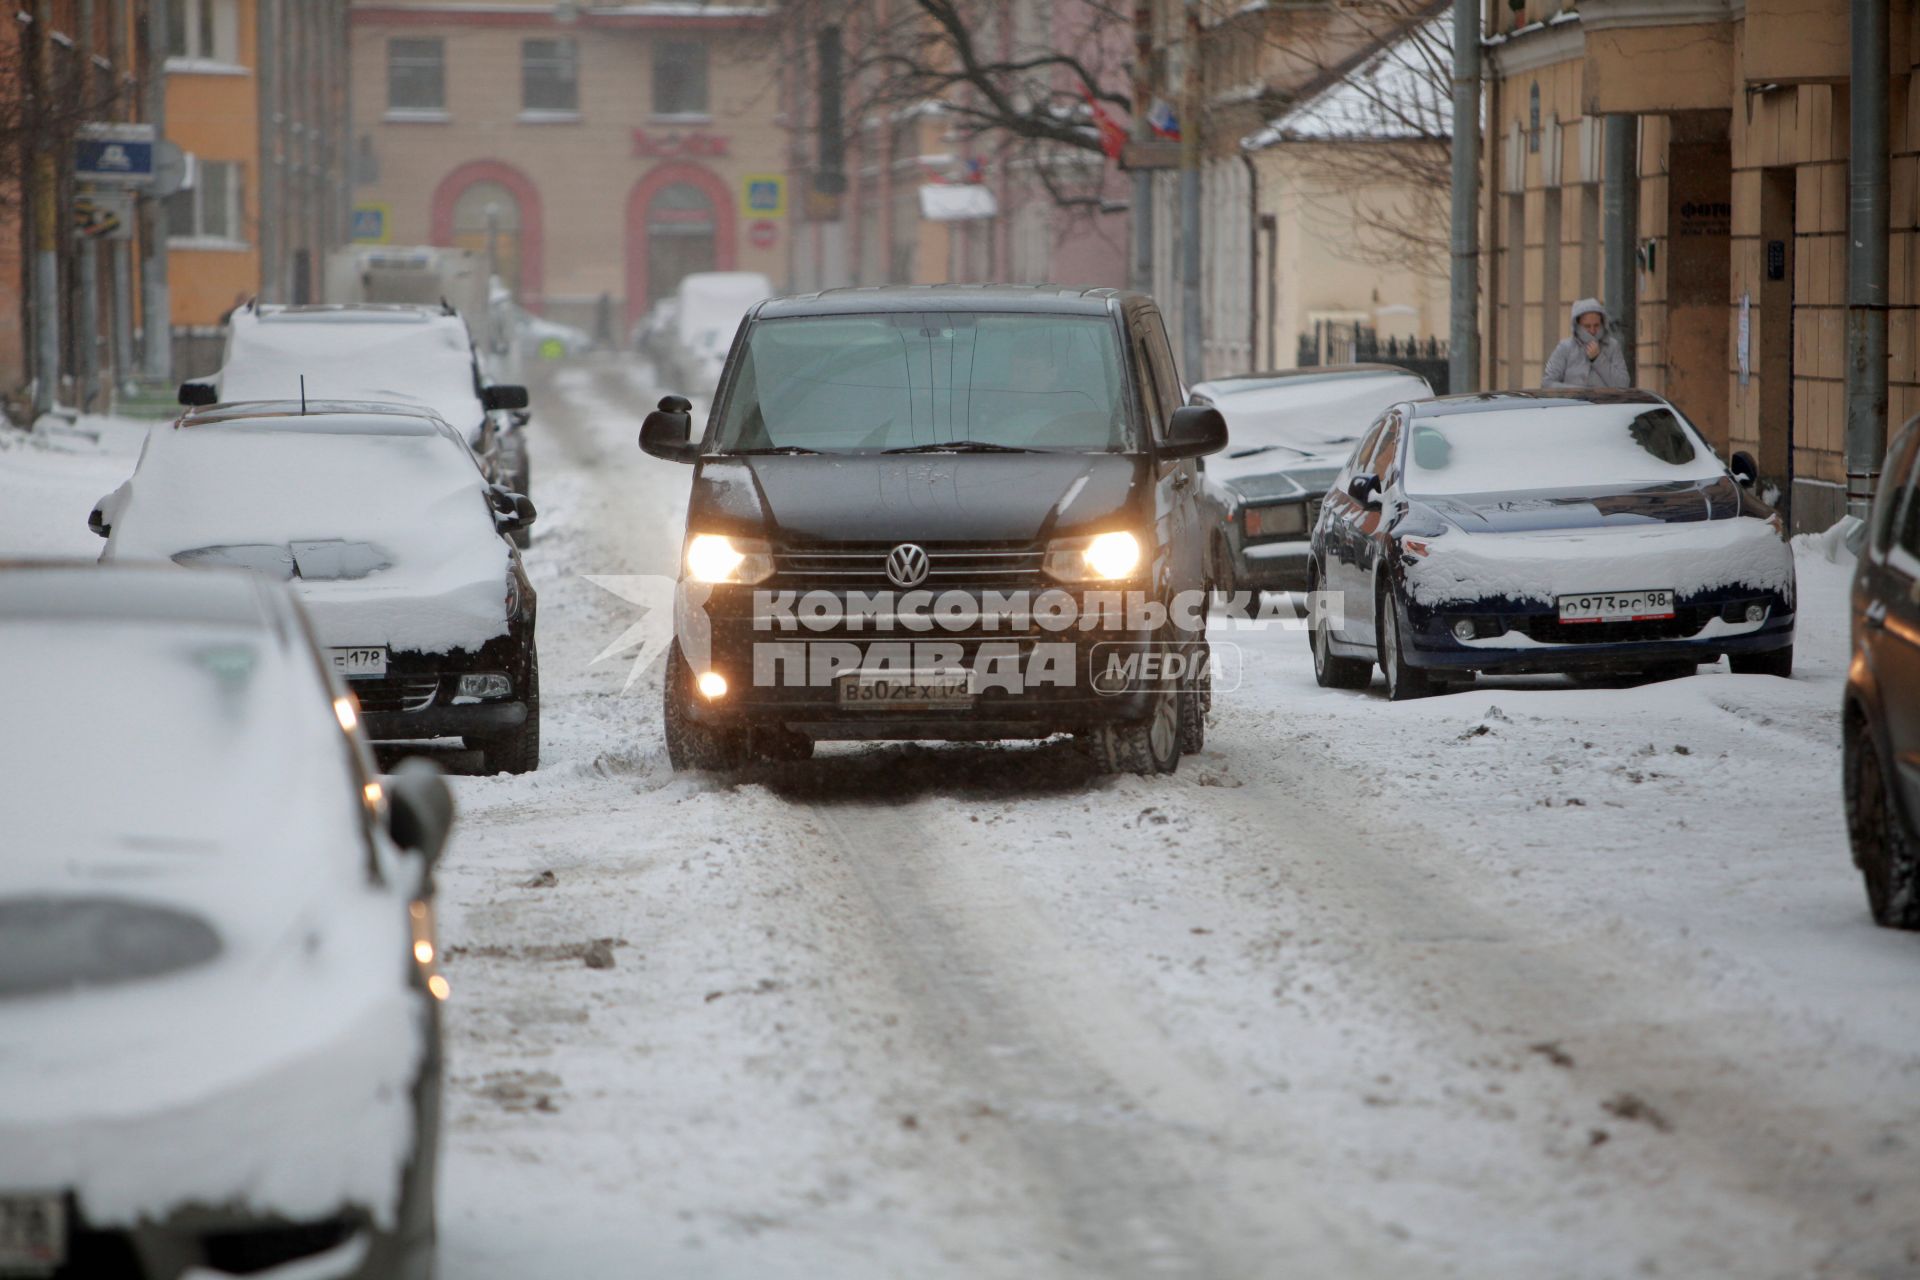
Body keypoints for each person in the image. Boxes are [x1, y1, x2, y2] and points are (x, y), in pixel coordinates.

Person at [1543, 298, 1630, 389]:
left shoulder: (1612, 346)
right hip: (1574, 402)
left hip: (1605, 403)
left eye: (1596, 325)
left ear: (1603, 323)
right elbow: (1547, 383)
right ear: (1577, 325)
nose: (1592, 331)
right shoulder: (1565, 347)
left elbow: (1623, 384)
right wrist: (1577, 392)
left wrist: (1598, 359)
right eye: (1587, 326)